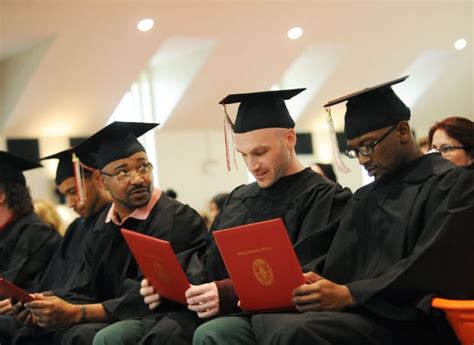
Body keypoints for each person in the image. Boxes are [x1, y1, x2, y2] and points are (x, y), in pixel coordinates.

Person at [193, 76, 474, 345]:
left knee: (292, 329)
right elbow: (340, 258)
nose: (363, 159)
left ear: (402, 131)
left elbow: (432, 264)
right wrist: (317, 279)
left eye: (369, 146)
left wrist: (350, 293)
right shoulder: (366, 197)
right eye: (354, 150)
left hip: (413, 318)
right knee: (270, 323)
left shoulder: (453, 184)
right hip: (365, 311)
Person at [132, 88, 352, 345]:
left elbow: (305, 274)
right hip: (226, 312)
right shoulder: (239, 199)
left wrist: (226, 293)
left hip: (280, 319)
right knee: (160, 333)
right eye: (243, 155)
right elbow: (208, 265)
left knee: (211, 333)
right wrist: (168, 288)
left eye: (260, 152)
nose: (252, 165)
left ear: (290, 138)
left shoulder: (324, 198)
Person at [19, 121, 208, 345]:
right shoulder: (101, 226)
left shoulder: (175, 219)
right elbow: (85, 287)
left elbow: (148, 295)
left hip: (164, 316)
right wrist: (42, 305)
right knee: (38, 333)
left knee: (87, 335)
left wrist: (77, 313)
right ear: (101, 180)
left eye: (143, 167)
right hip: (119, 316)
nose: (138, 179)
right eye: (122, 172)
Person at [2, 148, 111, 344]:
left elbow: (91, 286)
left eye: (72, 192)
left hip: (88, 311)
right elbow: (58, 282)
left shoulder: (36, 231)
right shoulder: (77, 228)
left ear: (98, 179)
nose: (70, 203)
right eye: (65, 194)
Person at [0, 152, 60, 315]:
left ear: (1, 196)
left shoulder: (35, 232)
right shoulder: (7, 230)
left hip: (26, 317)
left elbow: (10, 283)